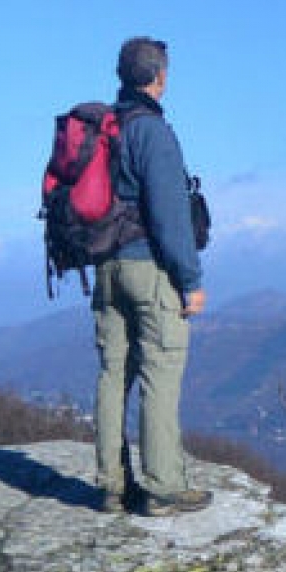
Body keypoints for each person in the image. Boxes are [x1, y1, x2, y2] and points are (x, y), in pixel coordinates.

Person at [92, 37, 211, 516]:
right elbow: (169, 214)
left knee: (112, 374)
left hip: (105, 269)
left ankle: (112, 485)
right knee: (160, 373)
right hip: (149, 269)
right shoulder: (152, 132)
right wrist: (190, 279)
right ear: (160, 76)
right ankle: (163, 487)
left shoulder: (106, 127)